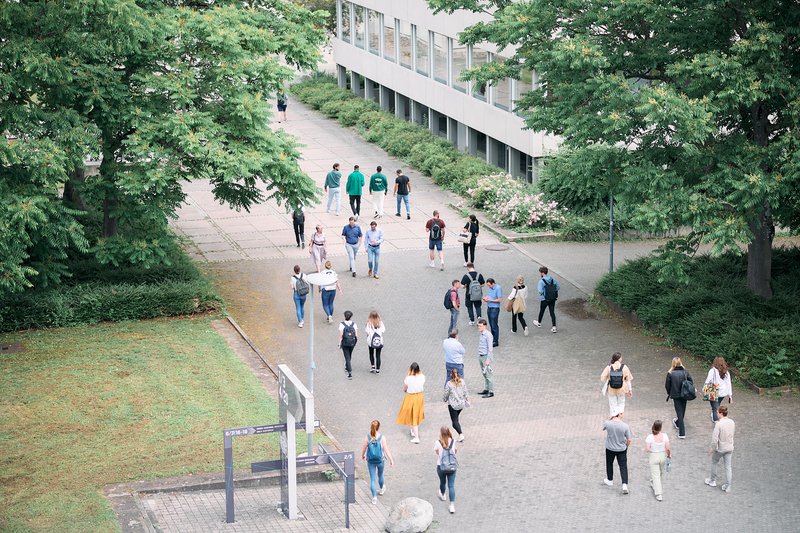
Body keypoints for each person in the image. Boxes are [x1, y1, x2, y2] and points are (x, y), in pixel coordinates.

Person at [361, 420, 395, 504]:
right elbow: (386, 449)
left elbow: (364, 449)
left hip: (371, 461)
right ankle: (381, 489)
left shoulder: (367, 437)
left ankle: (374, 498)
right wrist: (391, 459)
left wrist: (363, 455)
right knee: (380, 475)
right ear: (378, 427)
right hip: (380, 460)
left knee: (372, 479)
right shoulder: (382, 437)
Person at [705, 405, 735, 493]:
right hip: (729, 447)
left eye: (717, 412)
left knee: (714, 462)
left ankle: (712, 480)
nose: (717, 414)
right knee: (728, 467)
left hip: (720, 448)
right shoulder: (732, 422)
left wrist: (711, 449)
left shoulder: (718, 424)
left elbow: (714, 440)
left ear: (721, 413)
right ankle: (728, 485)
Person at [602, 407, 632, 495]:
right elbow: (629, 439)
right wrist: (626, 446)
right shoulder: (625, 426)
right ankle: (624, 484)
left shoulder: (608, 423)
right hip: (621, 449)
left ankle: (610, 480)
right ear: (619, 414)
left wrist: (610, 418)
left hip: (610, 448)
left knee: (609, 463)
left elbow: (603, 428)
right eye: (622, 413)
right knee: (623, 466)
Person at [396, 362, 425, 443]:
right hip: (419, 396)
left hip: (411, 397)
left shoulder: (408, 378)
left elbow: (405, 388)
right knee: (415, 414)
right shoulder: (422, 377)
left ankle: (416, 437)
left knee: (413, 417)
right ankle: (412, 430)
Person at [665, 357, 693, 439]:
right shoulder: (685, 372)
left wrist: (669, 393)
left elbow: (667, 385)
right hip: (685, 394)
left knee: (679, 412)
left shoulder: (670, 373)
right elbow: (691, 382)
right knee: (682, 411)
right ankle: (678, 423)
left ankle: (682, 432)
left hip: (675, 395)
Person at [434, 426, 458, 514]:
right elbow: (455, 451)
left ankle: (443, 494)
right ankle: (452, 505)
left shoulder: (438, 442)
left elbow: (437, 452)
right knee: (451, 486)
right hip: (452, 466)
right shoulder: (453, 441)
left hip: (441, 466)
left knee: (442, 482)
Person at [645, 420, 671, 501]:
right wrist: (669, 455)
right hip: (662, 456)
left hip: (654, 456)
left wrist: (652, 450)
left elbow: (647, 449)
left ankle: (658, 493)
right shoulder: (665, 436)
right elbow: (668, 448)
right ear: (660, 428)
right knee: (660, 472)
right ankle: (654, 484)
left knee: (656, 475)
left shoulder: (650, 437)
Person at [443, 368, 469, 442]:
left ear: (451, 375)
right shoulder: (462, 382)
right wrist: (467, 399)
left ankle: (461, 434)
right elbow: (465, 391)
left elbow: (446, 394)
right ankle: (459, 431)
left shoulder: (449, 384)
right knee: (456, 419)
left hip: (453, 405)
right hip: (461, 404)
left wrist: (445, 399)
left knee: (454, 422)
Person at [704, 356, 733, 422]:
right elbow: (729, 383)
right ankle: (714, 417)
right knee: (717, 405)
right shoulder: (726, 372)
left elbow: (708, 380)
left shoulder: (713, 371)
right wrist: (730, 395)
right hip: (723, 392)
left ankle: (716, 422)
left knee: (715, 408)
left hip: (713, 390)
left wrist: (704, 388)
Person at [534, 266, 560, 333]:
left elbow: (540, 291)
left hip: (544, 299)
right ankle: (554, 327)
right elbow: (558, 287)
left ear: (542, 273)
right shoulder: (552, 279)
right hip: (552, 298)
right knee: (552, 312)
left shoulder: (541, 281)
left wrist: (543, 293)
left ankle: (539, 323)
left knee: (542, 311)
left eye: (540, 272)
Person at [476, 318, 494, 398]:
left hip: (486, 357)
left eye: (480, 326)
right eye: (478, 326)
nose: (479, 327)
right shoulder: (482, 334)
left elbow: (490, 349)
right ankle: (486, 389)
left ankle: (491, 391)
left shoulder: (488, 335)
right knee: (484, 374)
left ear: (485, 326)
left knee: (488, 374)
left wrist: (488, 359)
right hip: (481, 356)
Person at [337, 310, 358, 380]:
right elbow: (356, 335)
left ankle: (349, 372)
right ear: (351, 316)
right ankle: (347, 366)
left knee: (347, 357)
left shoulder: (342, 324)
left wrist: (339, 343)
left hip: (345, 342)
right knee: (349, 354)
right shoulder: (354, 324)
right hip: (352, 342)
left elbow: (341, 335)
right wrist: (355, 342)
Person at [483, 278, 502, 347]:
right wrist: (486, 298)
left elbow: (499, 300)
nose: (488, 286)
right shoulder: (490, 288)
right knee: (491, 324)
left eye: (489, 285)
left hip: (495, 308)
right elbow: (490, 296)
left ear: (493, 283)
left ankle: (496, 341)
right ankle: (493, 338)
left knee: (494, 325)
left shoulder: (498, 288)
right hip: (489, 307)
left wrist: (490, 300)